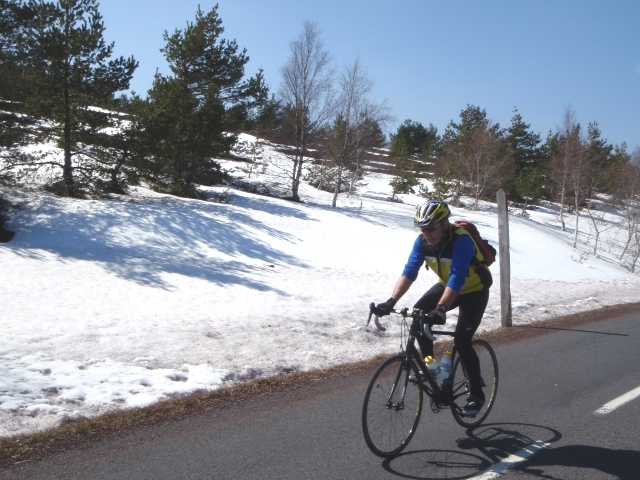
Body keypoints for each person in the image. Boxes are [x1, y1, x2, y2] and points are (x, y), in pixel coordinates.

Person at [371, 200, 492, 416]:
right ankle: (430, 367)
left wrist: (441, 308)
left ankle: (476, 393)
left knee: (462, 342)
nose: (427, 234)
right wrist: (391, 301)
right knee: (419, 314)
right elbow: (410, 271)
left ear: (445, 224)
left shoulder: (461, 241)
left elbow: (457, 275)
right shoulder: (422, 242)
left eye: (431, 228)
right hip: (448, 286)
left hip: (474, 290)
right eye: (423, 229)